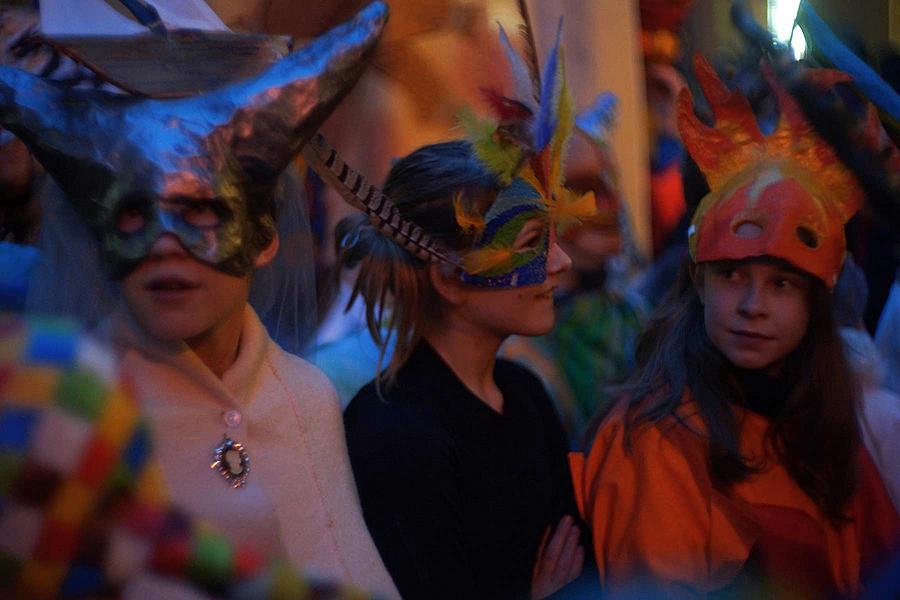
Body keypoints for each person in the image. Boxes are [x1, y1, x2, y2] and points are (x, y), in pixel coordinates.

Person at [0, 4, 400, 598]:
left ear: (264, 238)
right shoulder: (64, 416)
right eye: (133, 214)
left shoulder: (307, 397)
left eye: (201, 212)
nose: (165, 247)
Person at [570, 56, 900, 597]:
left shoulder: (824, 424)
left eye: (783, 284)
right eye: (732, 276)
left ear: (818, 301)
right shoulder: (655, 440)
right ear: (699, 282)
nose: (753, 305)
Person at [310, 23, 596, 600]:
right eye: (531, 242)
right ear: (449, 277)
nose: (560, 262)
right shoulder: (395, 433)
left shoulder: (528, 395)